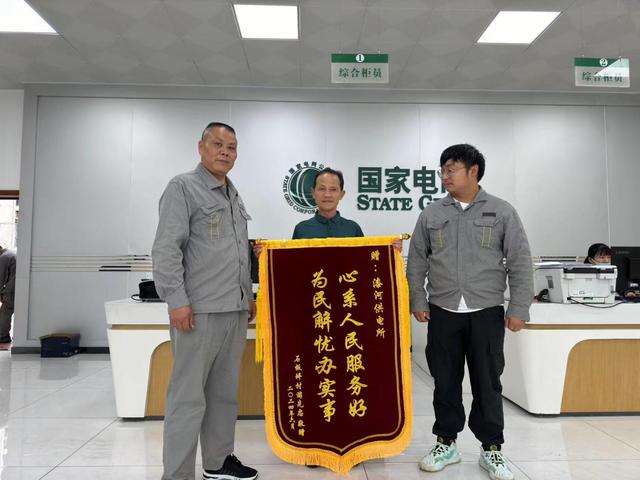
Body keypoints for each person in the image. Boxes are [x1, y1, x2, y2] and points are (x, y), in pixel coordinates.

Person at [407, 144, 533, 480]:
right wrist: (417, 299)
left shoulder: (501, 211)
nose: (444, 176)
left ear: (473, 171)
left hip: (486, 310)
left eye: (451, 169)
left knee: (487, 382)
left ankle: (491, 448)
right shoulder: (432, 213)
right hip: (443, 310)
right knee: (444, 380)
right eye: (442, 170)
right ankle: (446, 443)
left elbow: (519, 260)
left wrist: (519, 307)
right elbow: (416, 261)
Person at [152, 122, 258, 480]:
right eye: (217, 144)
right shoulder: (183, 187)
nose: (225, 151)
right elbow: (166, 249)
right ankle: (177, 473)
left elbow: (236, 252)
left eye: (232, 146)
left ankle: (217, 462)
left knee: (224, 395)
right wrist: (176, 300)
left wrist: (247, 295)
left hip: (233, 310)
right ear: (201, 147)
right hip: (198, 312)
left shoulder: (232, 194)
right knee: (187, 397)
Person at [0, 244, 16, 344]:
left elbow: (1, 278)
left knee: (5, 313)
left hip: (10, 290)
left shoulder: (3, 258)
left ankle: (3, 336)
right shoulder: (10, 253)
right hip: (16, 288)